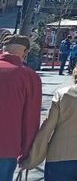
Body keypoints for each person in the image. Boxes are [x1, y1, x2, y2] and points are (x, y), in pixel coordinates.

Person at [0, 35, 42, 181]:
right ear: (25, 53)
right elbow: (30, 120)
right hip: (7, 146)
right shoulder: (29, 77)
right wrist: (27, 153)